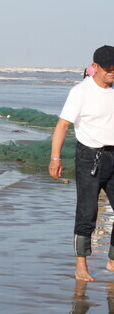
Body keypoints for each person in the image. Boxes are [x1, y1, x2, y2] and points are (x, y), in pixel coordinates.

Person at [50, 45, 114, 282]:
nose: (112, 72)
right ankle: (81, 266)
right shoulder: (80, 92)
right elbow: (62, 126)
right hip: (89, 157)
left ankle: (112, 261)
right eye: (108, 68)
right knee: (88, 213)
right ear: (95, 67)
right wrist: (55, 158)